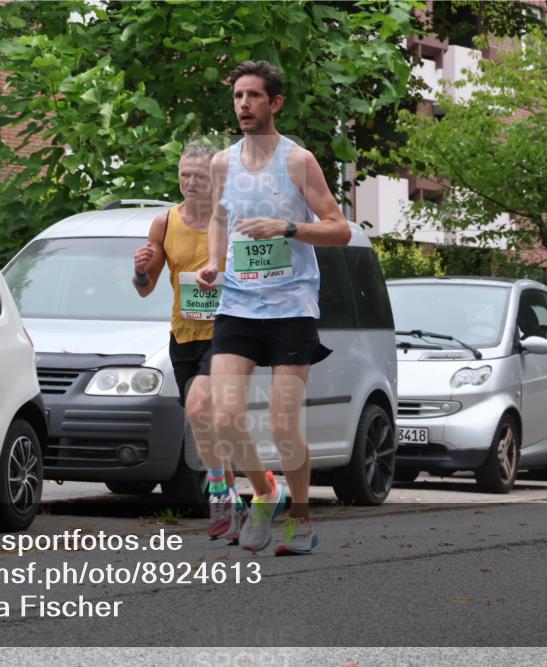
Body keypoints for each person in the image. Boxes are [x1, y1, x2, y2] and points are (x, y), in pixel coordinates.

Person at [196, 61, 351, 555]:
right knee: (222, 416)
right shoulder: (222, 163)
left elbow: (339, 228)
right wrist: (213, 263)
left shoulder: (298, 161)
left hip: (291, 306)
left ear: (275, 103)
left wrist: (287, 228)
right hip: (239, 303)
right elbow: (219, 218)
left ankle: (301, 518)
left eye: (254, 96)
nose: (243, 104)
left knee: (284, 423)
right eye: (238, 96)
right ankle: (265, 492)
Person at [132, 141, 250, 541]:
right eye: (185, 174)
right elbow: (145, 289)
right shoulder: (164, 223)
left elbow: (257, 271)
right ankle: (232, 495)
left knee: (207, 409)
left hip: (227, 331)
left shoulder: (231, 217)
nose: (190, 182)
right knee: (203, 419)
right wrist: (141, 272)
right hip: (183, 335)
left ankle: (222, 498)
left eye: (199, 175)